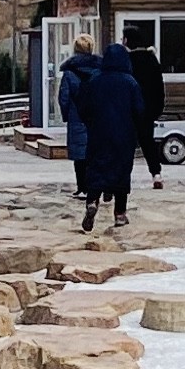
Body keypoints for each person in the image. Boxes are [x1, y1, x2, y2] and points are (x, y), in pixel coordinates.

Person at [57, 36, 142, 233]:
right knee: (121, 172)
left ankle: (92, 201)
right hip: (123, 135)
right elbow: (139, 109)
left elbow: (84, 106)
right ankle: (120, 213)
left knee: (96, 168)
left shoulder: (96, 80)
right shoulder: (130, 82)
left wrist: (91, 123)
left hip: (98, 133)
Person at [129, 37, 171, 189]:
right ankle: (156, 174)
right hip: (148, 110)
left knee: (126, 144)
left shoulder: (127, 61)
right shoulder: (152, 61)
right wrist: (157, 110)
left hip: (130, 110)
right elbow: (159, 88)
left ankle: (121, 177)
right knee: (148, 143)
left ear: (126, 40)